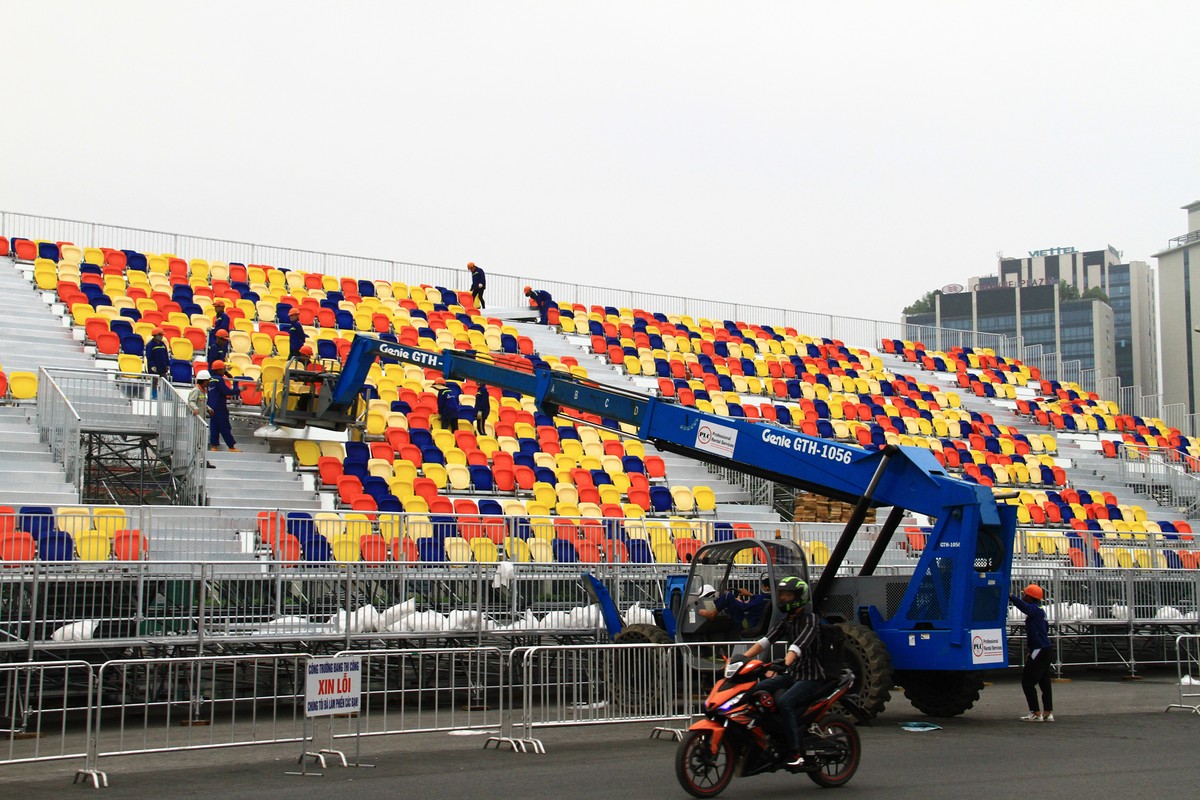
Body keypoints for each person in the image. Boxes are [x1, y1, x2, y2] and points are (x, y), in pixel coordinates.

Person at [740, 576, 823, 767]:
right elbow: (765, 641)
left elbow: (799, 644)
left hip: (810, 676)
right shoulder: (786, 620)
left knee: (785, 702)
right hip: (793, 674)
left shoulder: (810, 620)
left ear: (799, 597)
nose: (784, 598)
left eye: (788, 595)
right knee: (756, 690)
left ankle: (795, 752)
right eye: (782, 595)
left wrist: (787, 661)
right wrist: (742, 659)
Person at [1011, 583, 1054, 722]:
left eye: (1025, 595)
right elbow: (1045, 628)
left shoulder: (1034, 610)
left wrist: (1012, 597)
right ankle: (1048, 712)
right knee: (1044, 682)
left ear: (1030, 597)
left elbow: (1025, 607)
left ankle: (1035, 713)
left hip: (1039, 649)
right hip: (1045, 648)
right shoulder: (1041, 611)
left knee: (1027, 682)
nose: (1024, 597)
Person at [698, 573, 771, 632]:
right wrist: (749, 594)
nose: (762, 587)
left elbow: (744, 607)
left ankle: (712, 613)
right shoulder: (769, 598)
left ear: (767, 587)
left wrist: (736, 601)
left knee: (727, 595)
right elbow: (755, 600)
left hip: (746, 624)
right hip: (754, 623)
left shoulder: (761, 598)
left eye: (763, 586)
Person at [206, 360, 241, 452]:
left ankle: (214, 446)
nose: (224, 370)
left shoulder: (210, 379)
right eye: (223, 369)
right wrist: (239, 389)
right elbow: (227, 391)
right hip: (220, 407)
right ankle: (231, 447)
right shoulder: (219, 379)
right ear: (219, 370)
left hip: (211, 407)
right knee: (224, 427)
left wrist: (227, 374)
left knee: (214, 427)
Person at [285, 345, 322, 413]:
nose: (309, 357)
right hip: (294, 383)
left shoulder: (309, 364)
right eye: (308, 356)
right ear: (303, 354)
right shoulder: (294, 363)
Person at [144, 327, 170, 399]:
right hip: (154, 368)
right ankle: (154, 396)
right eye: (160, 335)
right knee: (154, 383)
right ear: (155, 335)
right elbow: (149, 356)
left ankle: (168, 396)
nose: (161, 337)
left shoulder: (162, 344)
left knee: (165, 382)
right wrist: (152, 366)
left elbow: (166, 355)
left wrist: (167, 364)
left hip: (163, 367)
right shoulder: (150, 345)